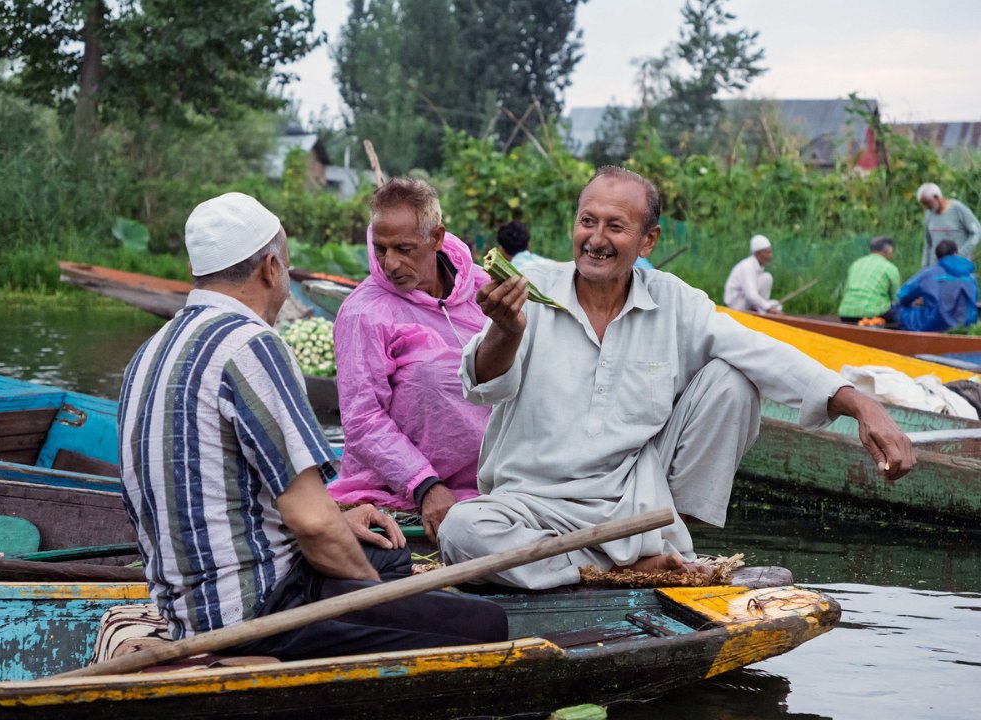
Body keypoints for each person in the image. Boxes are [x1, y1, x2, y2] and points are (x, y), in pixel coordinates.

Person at [437, 167, 915, 590]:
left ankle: (666, 542)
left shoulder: (674, 301)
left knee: (734, 378)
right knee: (462, 528)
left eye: (615, 226)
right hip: (532, 504)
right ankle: (622, 567)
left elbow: (762, 352)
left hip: (635, 503)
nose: (596, 239)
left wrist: (861, 405)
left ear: (648, 241)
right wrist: (506, 329)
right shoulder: (533, 292)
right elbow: (480, 383)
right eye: (588, 221)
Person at [118, 192, 506, 660]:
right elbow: (311, 523)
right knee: (486, 624)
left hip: (188, 611)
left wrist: (341, 519)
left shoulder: (149, 351)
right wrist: (376, 603)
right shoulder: (250, 345)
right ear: (270, 268)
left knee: (390, 554)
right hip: (259, 612)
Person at [325, 178, 491, 543]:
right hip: (405, 493)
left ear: (436, 238)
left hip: (492, 485)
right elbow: (363, 418)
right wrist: (424, 485)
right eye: (381, 249)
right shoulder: (364, 313)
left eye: (404, 248)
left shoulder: (483, 290)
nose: (390, 263)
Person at [896, 240, 979, 332]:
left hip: (933, 325)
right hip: (965, 325)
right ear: (956, 253)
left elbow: (903, 296)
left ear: (936, 257)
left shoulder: (928, 273)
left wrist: (909, 302)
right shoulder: (971, 277)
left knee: (898, 309)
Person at [838, 237, 901, 325]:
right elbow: (897, 298)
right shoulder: (890, 267)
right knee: (901, 310)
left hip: (845, 313)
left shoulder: (856, 264)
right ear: (888, 251)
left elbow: (845, 291)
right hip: (873, 315)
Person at [917, 183, 980, 267]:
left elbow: (977, 232)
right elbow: (928, 243)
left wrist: (961, 254)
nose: (926, 207)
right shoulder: (929, 214)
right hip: (936, 267)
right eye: (923, 204)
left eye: (927, 203)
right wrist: (925, 267)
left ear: (936, 197)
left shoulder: (958, 209)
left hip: (957, 267)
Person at [724, 235, 782, 314]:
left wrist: (767, 307)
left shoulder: (757, 266)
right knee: (767, 279)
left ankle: (760, 310)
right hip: (736, 305)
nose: (770, 255)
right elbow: (751, 294)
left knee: (767, 279)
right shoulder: (747, 267)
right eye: (767, 252)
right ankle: (761, 311)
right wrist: (768, 308)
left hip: (745, 301)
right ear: (757, 254)